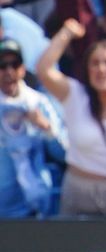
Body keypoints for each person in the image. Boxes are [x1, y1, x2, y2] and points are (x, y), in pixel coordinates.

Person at [36, 23, 106, 216]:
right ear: (87, 69)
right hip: (77, 190)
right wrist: (67, 32)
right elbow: (43, 69)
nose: (101, 69)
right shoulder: (75, 95)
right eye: (95, 63)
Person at [0, 38, 64, 218]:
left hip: (36, 209)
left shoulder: (39, 102)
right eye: (2, 65)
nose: (8, 71)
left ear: (22, 68)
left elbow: (63, 153)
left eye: (15, 64)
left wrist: (46, 128)